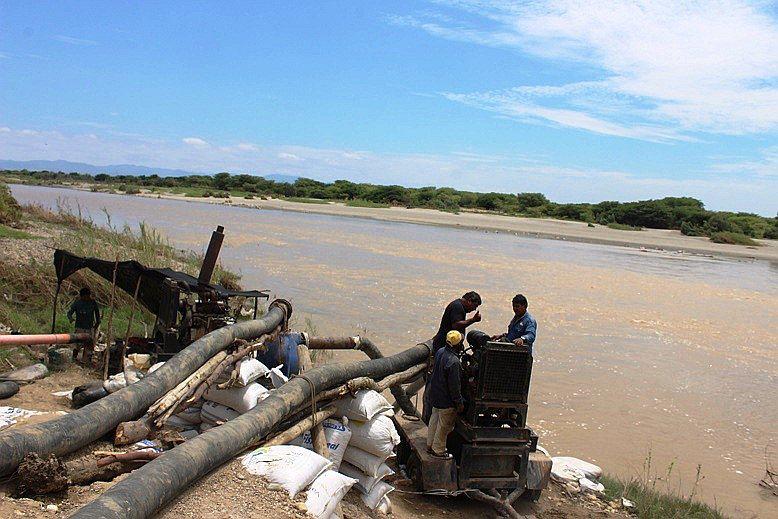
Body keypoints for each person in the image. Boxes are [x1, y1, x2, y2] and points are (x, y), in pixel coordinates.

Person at [426, 330, 465, 459]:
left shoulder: (440, 351)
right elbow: (455, 386)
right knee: (444, 426)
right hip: (446, 400)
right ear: (457, 345)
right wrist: (458, 402)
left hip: (435, 395)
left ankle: (430, 444)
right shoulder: (454, 362)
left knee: (434, 419)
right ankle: (438, 450)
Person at [67, 287, 100, 364]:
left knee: (89, 345)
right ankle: (74, 359)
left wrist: (97, 324)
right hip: (79, 327)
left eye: (88, 296)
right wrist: (71, 319)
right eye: (85, 296)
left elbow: (97, 315)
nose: (87, 297)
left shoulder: (92, 303)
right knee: (77, 344)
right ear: (82, 296)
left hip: (89, 327)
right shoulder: (78, 303)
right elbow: (69, 313)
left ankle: (86, 361)